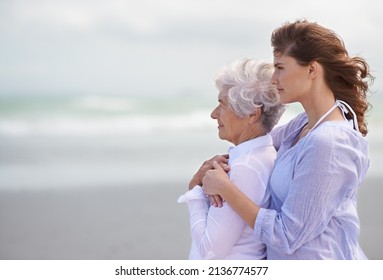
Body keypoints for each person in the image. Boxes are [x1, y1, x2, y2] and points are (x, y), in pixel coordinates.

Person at [202, 19, 374, 259]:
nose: (273, 79)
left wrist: (225, 188)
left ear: (312, 70)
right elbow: (255, 143)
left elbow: (286, 236)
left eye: (280, 67)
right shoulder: (304, 124)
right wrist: (217, 164)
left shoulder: (329, 143)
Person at [177, 58, 285, 259]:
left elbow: (209, 251)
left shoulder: (246, 167)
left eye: (222, 105)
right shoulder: (263, 156)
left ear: (252, 114)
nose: (213, 114)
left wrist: (194, 193)